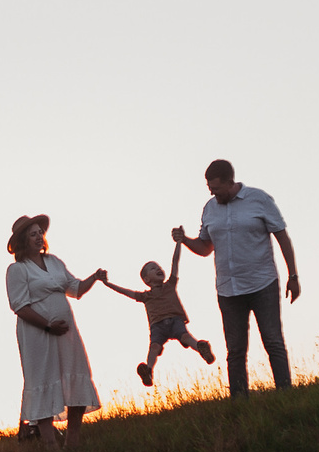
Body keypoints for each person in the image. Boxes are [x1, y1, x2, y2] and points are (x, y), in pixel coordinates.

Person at [172, 158, 300, 397]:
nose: (213, 193)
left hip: (262, 283)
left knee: (273, 341)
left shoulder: (259, 200)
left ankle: (286, 394)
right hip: (228, 290)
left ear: (231, 181)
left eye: (217, 189)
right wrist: (185, 239)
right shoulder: (209, 208)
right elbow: (205, 247)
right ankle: (239, 402)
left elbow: (282, 237)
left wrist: (292, 275)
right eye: (210, 189)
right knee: (235, 350)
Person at [5, 214, 105, 440]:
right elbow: (20, 306)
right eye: (33, 234)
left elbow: (75, 289)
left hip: (66, 334)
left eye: (41, 233)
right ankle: (49, 444)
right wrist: (48, 326)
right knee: (42, 379)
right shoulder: (18, 270)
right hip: (37, 335)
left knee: (75, 375)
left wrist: (95, 278)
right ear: (23, 241)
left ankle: (73, 441)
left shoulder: (54, 262)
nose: (39, 237)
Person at [99, 242, 217, 387]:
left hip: (175, 321)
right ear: (147, 280)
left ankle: (201, 349)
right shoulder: (145, 296)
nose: (159, 269)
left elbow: (175, 262)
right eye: (153, 268)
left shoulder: (170, 284)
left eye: (159, 267)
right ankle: (148, 371)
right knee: (154, 347)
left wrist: (179, 243)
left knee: (186, 336)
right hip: (158, 327)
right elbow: (125, 292)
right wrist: (107, 283)